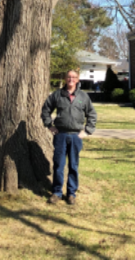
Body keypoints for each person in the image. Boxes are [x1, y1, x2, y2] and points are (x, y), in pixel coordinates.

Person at [41, 69, 97, 205]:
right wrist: (49, 125)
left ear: (77, 80)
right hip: (60, 135)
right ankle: (57, 192)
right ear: (66, 79)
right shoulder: (57, 95)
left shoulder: (83, 97)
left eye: (74, 77)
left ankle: (71, 194)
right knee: (59, 165)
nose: (71, 79)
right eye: (69, 77)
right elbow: (46, 110)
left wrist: (87, 130)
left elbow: (92, 114)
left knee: (73, 165)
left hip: (76, 137)